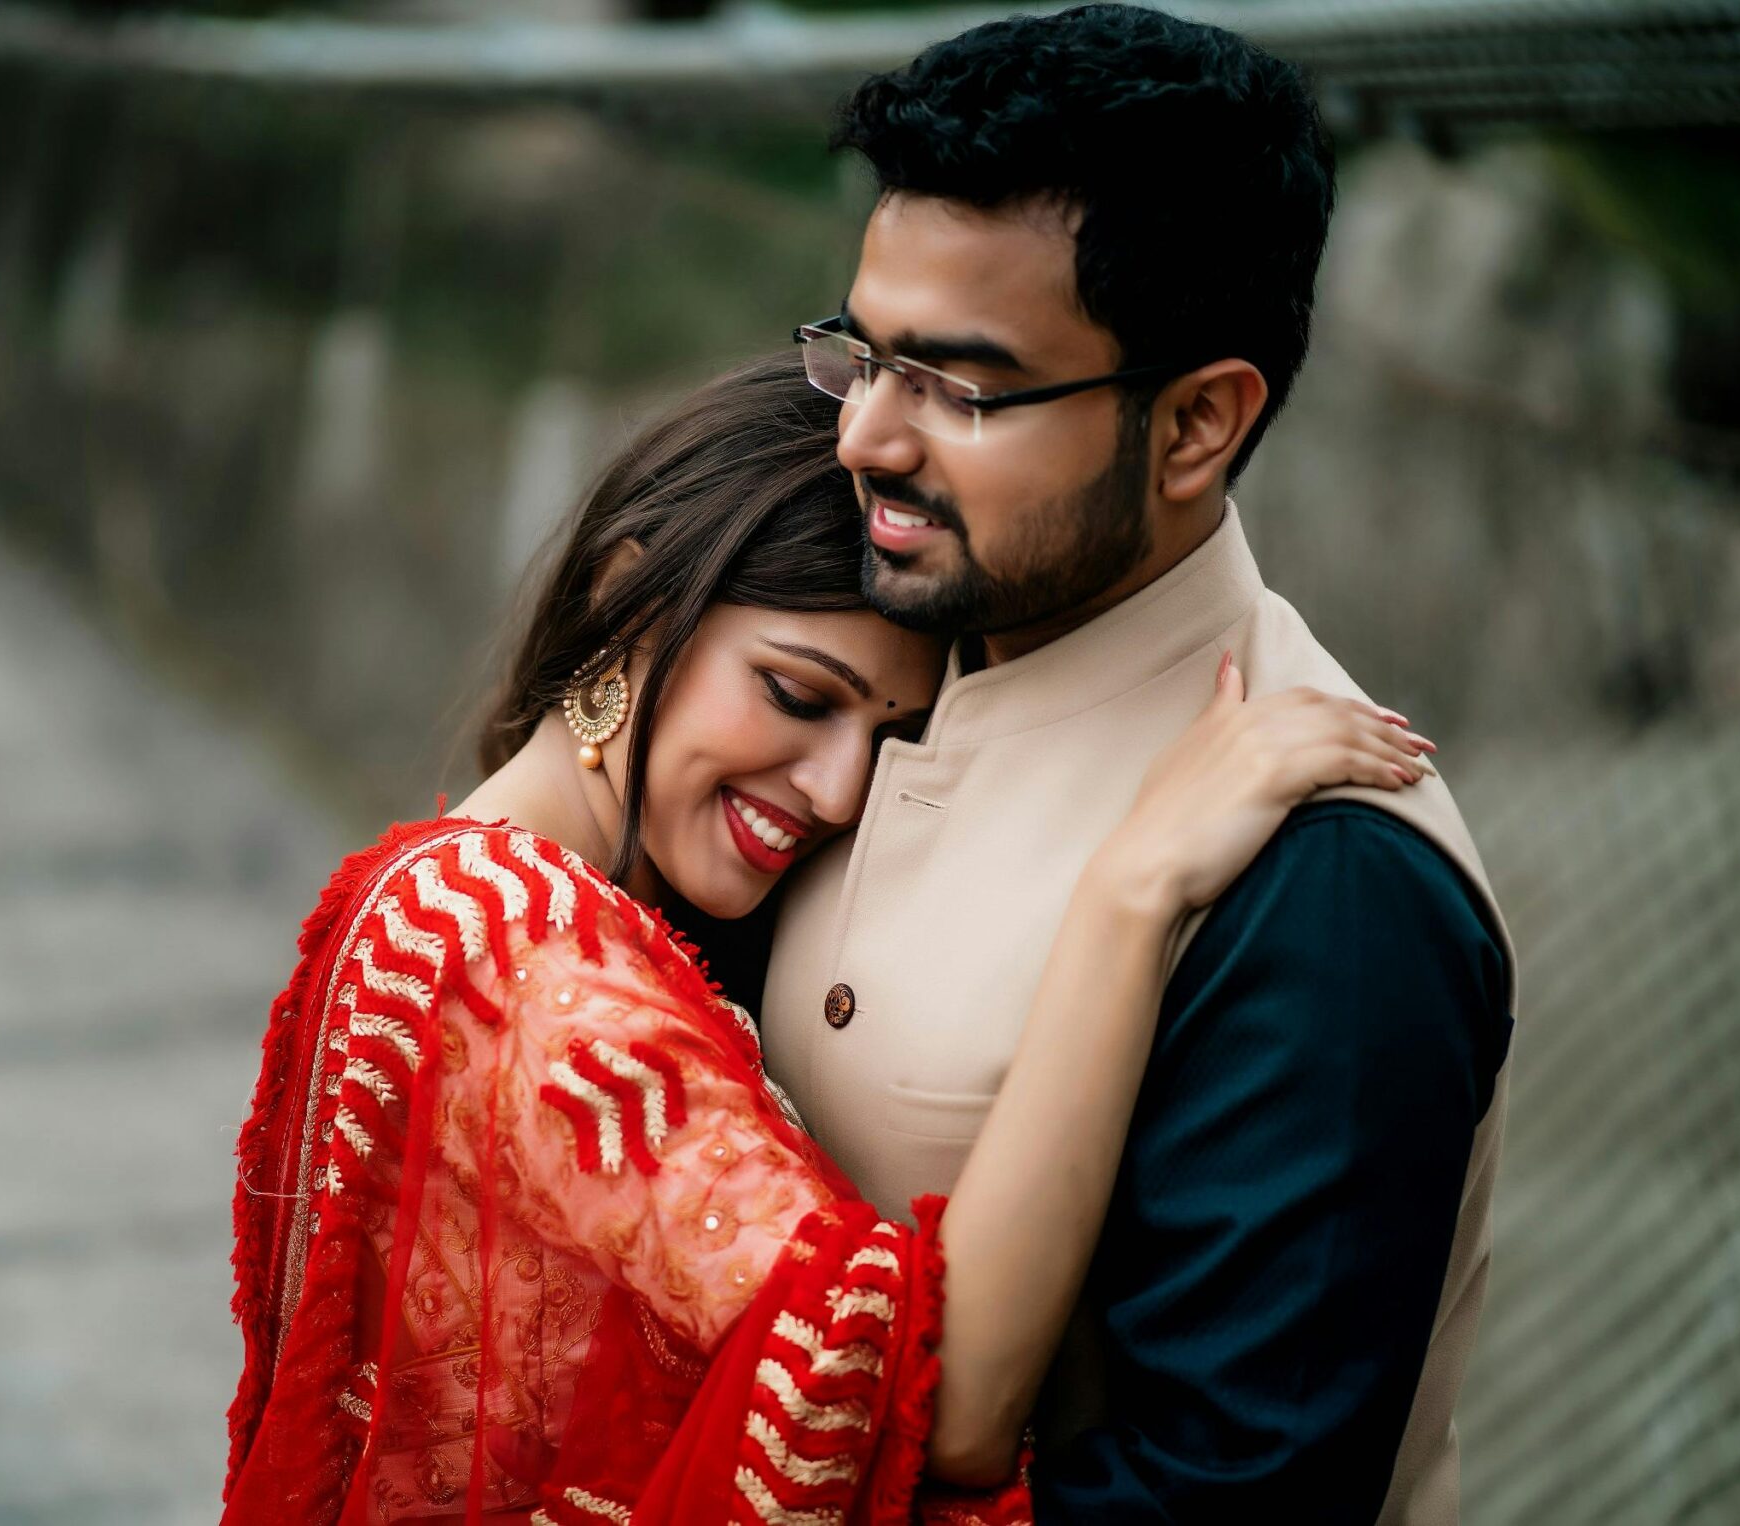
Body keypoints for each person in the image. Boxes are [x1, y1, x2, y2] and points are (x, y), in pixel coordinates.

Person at [224, 356, 1435, 1524]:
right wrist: (1132, 891)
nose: (838, 785)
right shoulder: (532, 969)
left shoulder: (437, 896)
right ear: (625, 596)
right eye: (798, 695)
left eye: (885, 733)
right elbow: (923, 1397)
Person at [761, 9, 1518, 1524]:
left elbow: (1223, 1493)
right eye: (864, 354)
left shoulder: (1333, 889)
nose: (867, 439)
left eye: (962, 389)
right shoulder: (862, 631)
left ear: (1195, 425)